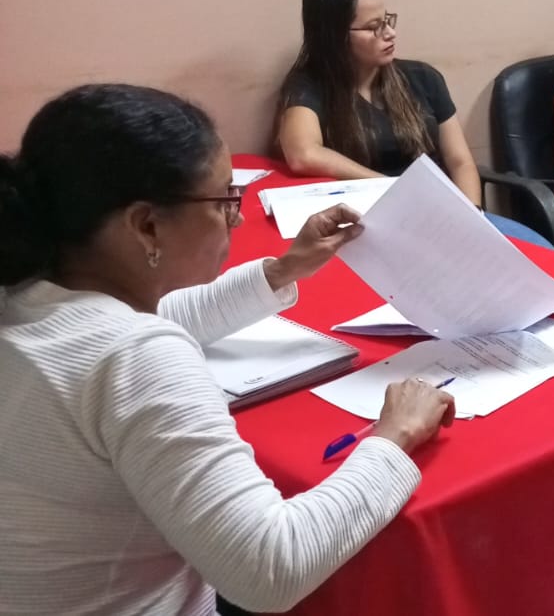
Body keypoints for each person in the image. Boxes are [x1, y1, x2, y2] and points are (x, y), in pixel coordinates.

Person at [0, 84, 456, 615]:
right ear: (146, 226)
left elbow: (149, 318)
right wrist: (395, 437)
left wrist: (284, 269)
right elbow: (271, 569)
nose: (237, 219)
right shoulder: (134, 356)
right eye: (223, 202)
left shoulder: (24, 294)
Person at [276, 0, 552, 248]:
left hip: (443, 213)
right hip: (375, 224)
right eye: (374, 27)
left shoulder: (422, 77)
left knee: (542, 251)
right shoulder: (309, 86)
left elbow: (460, 161)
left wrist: (472, 215)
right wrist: (394, 187)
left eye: (387, 20)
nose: (390, 33)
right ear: (335, 37)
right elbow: (303, 154)